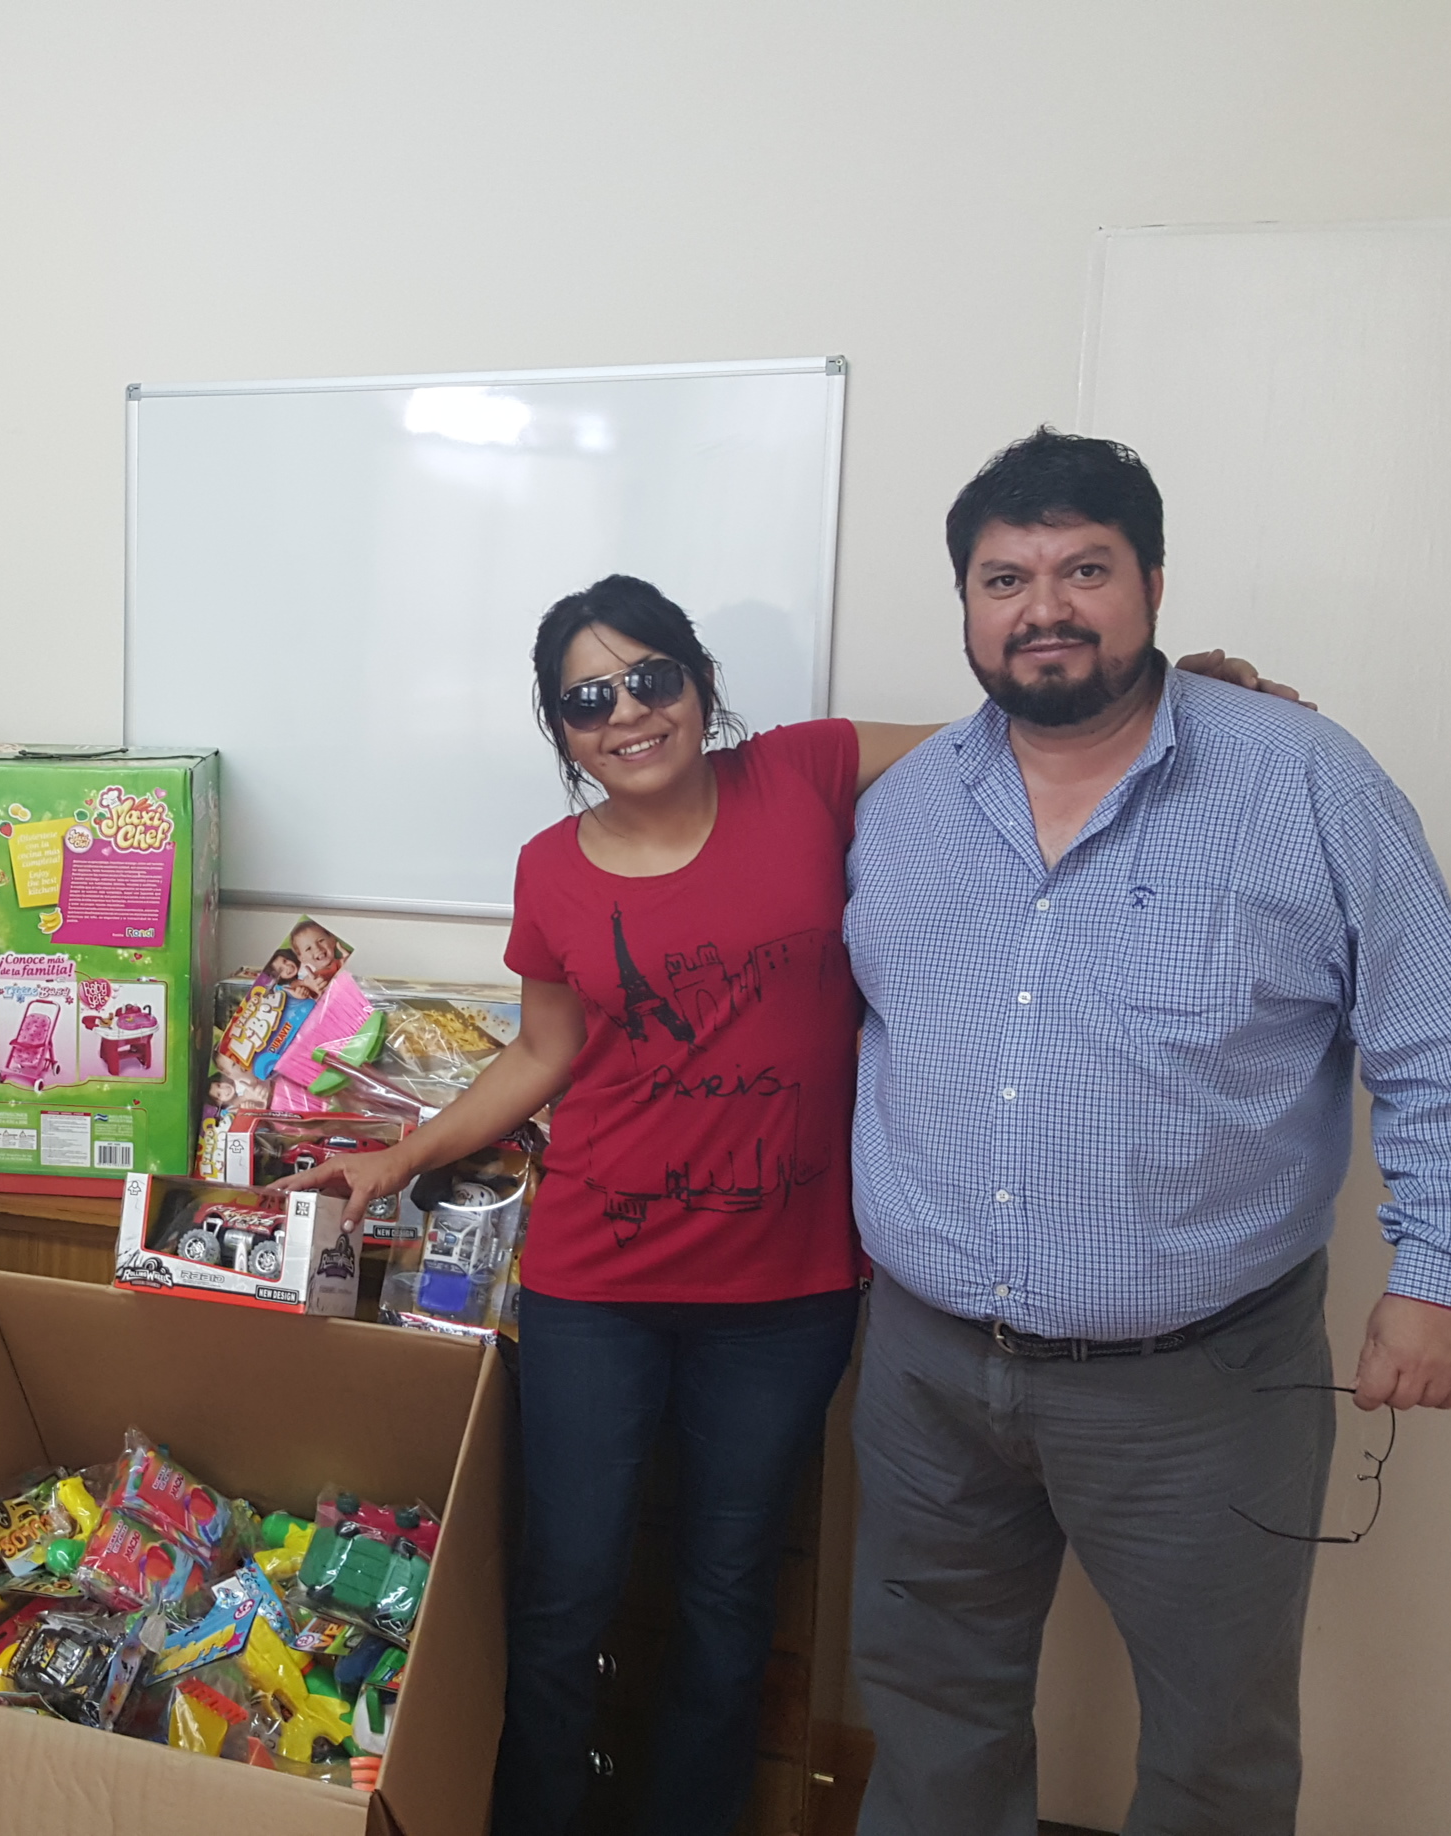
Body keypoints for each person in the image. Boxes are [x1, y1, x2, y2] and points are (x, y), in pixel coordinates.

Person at [278, 576, 1292, 1833]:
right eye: (588, 700)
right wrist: (401, 1153)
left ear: (700, 680)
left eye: (652, 676)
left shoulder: (806, 774)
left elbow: (1018, 723)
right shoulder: (551, 868)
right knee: (566, 1594)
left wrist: (1167, 684)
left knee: (725, 1598)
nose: (629, 713)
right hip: (597, 1285)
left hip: (786, 1295)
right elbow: (542, 1054)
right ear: (562, 734)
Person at [842, 429, 1451, 1835]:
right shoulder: (902, 810)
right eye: (1004, 579)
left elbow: (1439, 1034)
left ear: (1153, 584)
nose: (1044, 608)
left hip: (1200, 1387)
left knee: (1218, 1743)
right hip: (923, 1373)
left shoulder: (1305, 781)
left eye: (1083, 569)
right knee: (929, 1716)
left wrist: (1440, 1275)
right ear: (967, 609)